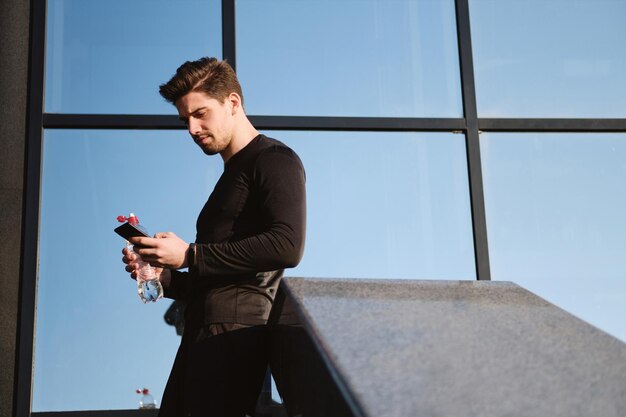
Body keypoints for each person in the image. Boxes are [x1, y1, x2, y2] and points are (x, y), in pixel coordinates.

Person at [122, 57, 306, 417]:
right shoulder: (230, 176)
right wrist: (164, 275)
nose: (192, 128)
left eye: (200, 113)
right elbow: (210, 283)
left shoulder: (274, 160)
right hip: (204, 333)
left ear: (232, 103)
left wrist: (189, 255)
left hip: (233, 336)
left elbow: (288, 244)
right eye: (185, 120)